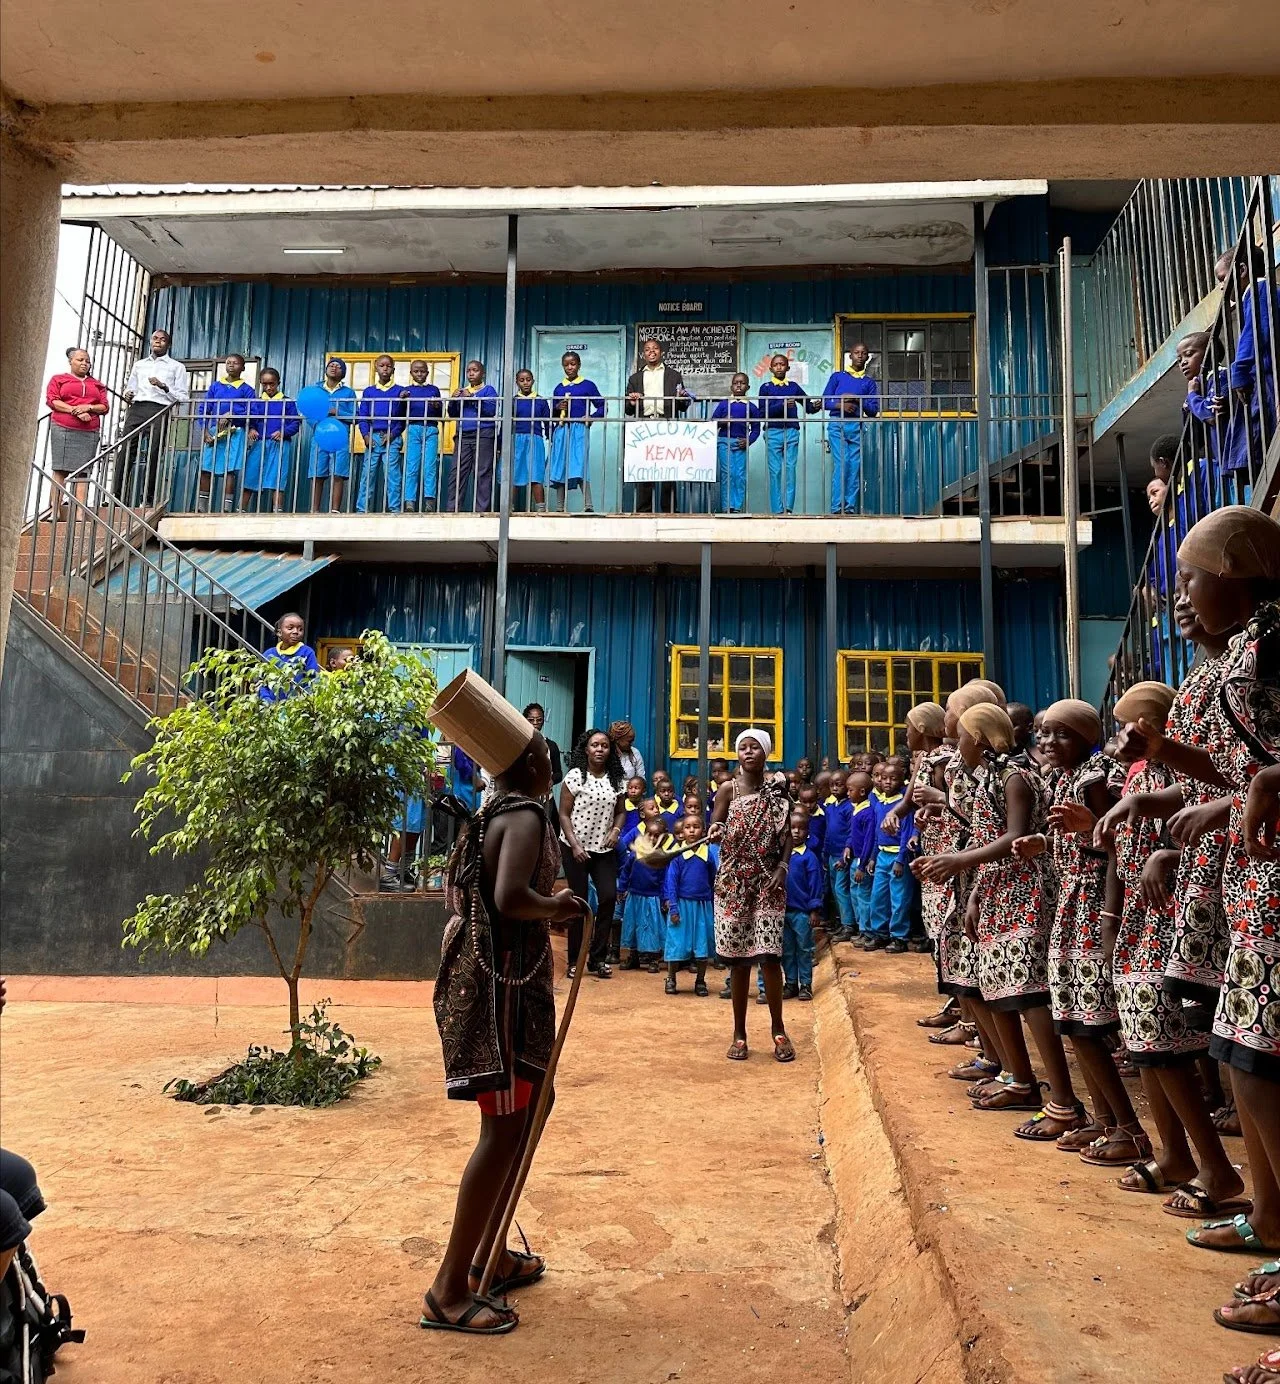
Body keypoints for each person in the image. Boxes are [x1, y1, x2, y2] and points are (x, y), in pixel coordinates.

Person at [1128, 507, 1280, 1268]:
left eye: (1189, 575)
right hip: (1246, 881)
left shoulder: (1271, 648)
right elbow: (1237, 775)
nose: (1180, 592)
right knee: (1241, 1053)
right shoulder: (1237, 660)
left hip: (1264, 877)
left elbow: (1256, 777)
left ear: (1231, 574)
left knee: (1254, 1058)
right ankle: (1266, 1214)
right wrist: (1174, 771)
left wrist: (1241, 791)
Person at [422, 681, 586, 1336]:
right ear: (535, 767)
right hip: (501, 1000)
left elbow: (470, 901)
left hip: (506, 992)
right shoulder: (524, 816)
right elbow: (512, 896)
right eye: (546, 751)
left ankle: (489, 1258)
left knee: (530, 1109)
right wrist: (559, 906)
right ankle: (448, 1289)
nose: (551, 758)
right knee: (502, 1133)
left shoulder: (497, 814)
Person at [1094, 681, 1246, 1212]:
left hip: (1173, 912)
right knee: (1143, 1041)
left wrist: (1166, 854)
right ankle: (1174, 1153)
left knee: (1162, 1041)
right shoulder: (1141, 772)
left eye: (1134, 724)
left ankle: (1217, 1169)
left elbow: (1208, 822)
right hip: (1142, 912)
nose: (1124, 735)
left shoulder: (1179, 761)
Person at [921, 703, 1084, 1135]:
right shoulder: (987, 777)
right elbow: (985, 834)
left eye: (963, 737)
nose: (958, 744)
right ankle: (1019, 1079)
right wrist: (974, 891)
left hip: (1026, 891)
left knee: (1029, 994)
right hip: (996, 891)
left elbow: (1013, 836)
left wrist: (957, 861)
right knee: (1000, 989)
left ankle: (1064, 1102)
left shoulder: (1014, 776)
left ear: (978, 738)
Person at [1012, 699, 1151, 1165]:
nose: (1049, 742)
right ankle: (1104, 1118)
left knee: (1089, 1023)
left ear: (1089, 738)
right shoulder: (1060, 776)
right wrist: (1046, 842)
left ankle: (1129, 1130)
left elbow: (1118, 844)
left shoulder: (1098, 779)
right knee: (1072, 1019)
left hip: (1095, 907)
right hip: (1071, 905)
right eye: (1044, 733)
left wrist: (1111, 918)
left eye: (1062, 734)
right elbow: (1077, 836)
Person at [708, 728, 795, 1062]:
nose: (748, 752)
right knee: (739, 960)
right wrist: (715, 830)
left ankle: (779, 1029)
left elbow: (787, 835)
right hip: (733, 883)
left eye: (754, 747)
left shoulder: (777, 789)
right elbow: (715, 824)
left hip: (768, 882)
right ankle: (739, 1033)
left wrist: (782, 868)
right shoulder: (726, 790)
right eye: (742, 747)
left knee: (770, 957)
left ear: (766, 753)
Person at [559, 728, 626, 979]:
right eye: (595, 745)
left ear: (610, 751)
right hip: (574, 847)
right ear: (586, 749)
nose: (600, 749)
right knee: (579, 902)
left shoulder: (616, 779)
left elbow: (621, 811)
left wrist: (617, 830)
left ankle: (598, 959)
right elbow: (563, 813)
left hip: (603, 848)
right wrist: (575, 845)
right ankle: (574, 960)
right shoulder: (576, 777)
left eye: (605, 746)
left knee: (608, 897)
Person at [117, 327, 189, 503]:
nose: (158, 341)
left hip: (160, 409)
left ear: (169, 344)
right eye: (155, 338)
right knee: (125, 450)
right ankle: (116, 496)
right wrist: (128, 393)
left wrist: (164, 386)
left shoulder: (176, 367)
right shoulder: (140, 364)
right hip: (137, 409)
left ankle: (148, 497)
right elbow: (131, 387)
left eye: (162, 339)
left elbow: (183, 397)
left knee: (154, 452)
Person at [624, 338, 691, 514]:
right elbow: (628, 409)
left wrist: (683, 398)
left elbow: (682, 405)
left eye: (655, 348)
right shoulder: (635, 378)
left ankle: (669, 510)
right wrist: (631, 402)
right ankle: (644, 511)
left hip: (666, 423)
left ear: (661, 352)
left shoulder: (674, 375)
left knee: (668, 467)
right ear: (643, 354)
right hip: (644, 425)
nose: (651, 351)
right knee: (645, 467)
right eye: (647, 349)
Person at [617, 799, 676, 972]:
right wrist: (621, 889)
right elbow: (625, 872)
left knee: (650, 928)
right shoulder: (636, 853)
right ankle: (633, 957)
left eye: (656, 835)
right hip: (634, 896)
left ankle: (653, 959)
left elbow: (665, 880)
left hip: (651, 898)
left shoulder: (661, 858)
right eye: (649, 834)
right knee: (632, 926)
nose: (652, 838)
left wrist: (665, 898)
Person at [758, 353, 820, 515]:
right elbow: (762, 413)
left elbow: (808, 407)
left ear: (788, 368)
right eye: (776, 365)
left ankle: (788, 508)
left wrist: (817, 405)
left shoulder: (793, 387)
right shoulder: (765, 388)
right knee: (775, 471)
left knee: (790, 469)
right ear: (771, 368)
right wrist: (782, 405)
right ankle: (777, 510)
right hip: (773, 431)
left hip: (792, 431)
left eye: (782, 364)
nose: (779, 367)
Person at [821, 343, 878, 515]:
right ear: (850, 356)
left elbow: (874, 410)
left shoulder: (869, 383)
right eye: (856, 353)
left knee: (854, 466)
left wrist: (857, 399)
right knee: (842, 463)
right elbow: (824, 401)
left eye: (864, 353)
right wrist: (841, 404)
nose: (860, 355)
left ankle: (850, 507)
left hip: (856, 426)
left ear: (867, 357)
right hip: (837, 423)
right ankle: (837, 508)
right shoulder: (838, 377)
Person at [663, 814, 718, 995]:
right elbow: (671, 884)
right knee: (676, 944)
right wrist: (673, 907)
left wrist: (712, 904)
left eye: (696, 827)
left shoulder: (707, 855)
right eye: (688, 827)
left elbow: (713, 880)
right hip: (682, 906)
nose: (692, 830)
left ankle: (700, 981)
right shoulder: (677, 857)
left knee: (702, 945)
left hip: (702, 907)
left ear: (703, 830)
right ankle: (671, 979)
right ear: (681, 832)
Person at [864, 757, 914, 952]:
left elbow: (906, 834)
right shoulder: (879, 804)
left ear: (902, 781)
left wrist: (901, 860)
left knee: (899, 899)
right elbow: (878, 834)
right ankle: (880, 933)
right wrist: (873, 858)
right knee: (878, 897)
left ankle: (899, 936)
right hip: (882, 856)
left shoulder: (903, 805)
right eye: (884, 778)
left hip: (898, 858)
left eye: (893, 779)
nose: (887, 782)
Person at [45, 347, 109, 496]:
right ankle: (55, 510)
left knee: (83, 471)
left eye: (87, 361)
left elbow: (104, 406)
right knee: (60, 469)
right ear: (70, 361)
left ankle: (80, 513)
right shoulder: (59, 379)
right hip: (63, 428)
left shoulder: (97, 384)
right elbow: (53, 401)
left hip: (89, 432)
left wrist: (89, 407)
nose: (84, 364)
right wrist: (76, 411)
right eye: (80, 360)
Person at [197, 354, 255, 512]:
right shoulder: (216, 386)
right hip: (216, 431)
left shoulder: (247, 390)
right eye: (228, 362)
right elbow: (204, 409)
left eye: (235, 363)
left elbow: (253, 412)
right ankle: (202, 508)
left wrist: (233, 415)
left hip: (236, 433)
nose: (231, 365)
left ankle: (226, 508)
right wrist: (205, 431)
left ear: (242, 368)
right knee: (206, 467)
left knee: (230, 470)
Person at [549, 352, 605, 514]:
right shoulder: (559, 388)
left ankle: (588, 505)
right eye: (566, 365)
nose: (569, 367)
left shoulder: (588, 385)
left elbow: (602, 406)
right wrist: (557, 407)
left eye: (573, 364)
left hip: (579, 429)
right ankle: (560, 507)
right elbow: (552, 413)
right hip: (561, 429)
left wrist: (591, 417)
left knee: (580, 464)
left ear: (579, 365)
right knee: (560, 464)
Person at [242, 367, 300, 513]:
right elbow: (251, 421)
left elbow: (295, 423)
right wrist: (252, 429)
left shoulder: (287, 402)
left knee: (278, 478)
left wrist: (283, 432)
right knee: (251, 475)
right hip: (259, 444)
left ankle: (277, 511)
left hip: (279, 444)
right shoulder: (257, 402)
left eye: (272, 384)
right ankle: (240, 510)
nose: (268, 388)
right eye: (265, 384)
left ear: (278, 383)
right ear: (261, 383)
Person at [446, 360, 500, 513]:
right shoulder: (462, 391)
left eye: (475, 370)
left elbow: (490, 411)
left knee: (483, 473)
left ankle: (481, 510)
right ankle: (453, 509)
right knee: (457, 473)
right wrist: (453, 400)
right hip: (463, 436)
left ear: (482, 373)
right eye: (468, 370)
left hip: (483, 435)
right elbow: (453, 414)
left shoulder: (488, 390)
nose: (471, 373)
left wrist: (473, 398)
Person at [356, 354, 406, 513]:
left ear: (393, 369)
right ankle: (361, 510)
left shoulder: (400, 391)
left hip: (392, 438)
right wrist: (365, 435)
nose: (385, 369)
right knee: (367, 475)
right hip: (372, 437)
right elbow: (362, 415)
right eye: (381, 365)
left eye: (388, 366)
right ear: (376, 368)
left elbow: (402, 418)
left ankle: (394, 510)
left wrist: (392, 434)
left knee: (393, 476)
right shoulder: (369, 392)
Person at [784, 809, 824, 1000]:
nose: (796, 832)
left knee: (804, 949)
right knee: (787, 950)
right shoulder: (781, 856)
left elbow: (815, 886)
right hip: (782, 911)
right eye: (792, 828)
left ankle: (805, 985)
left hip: (802, 913)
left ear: (807, 832)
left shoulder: (809, 857)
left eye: (801, 828)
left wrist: (814, 910)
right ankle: (790, 983)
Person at [308, 358, 358, 513]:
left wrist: (338, 413)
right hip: (320, 435)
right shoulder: (316, 389)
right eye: (331, 365)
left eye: (338, 366)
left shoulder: (349, 392)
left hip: (340, 436)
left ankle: (335, 510)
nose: (334, 368)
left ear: (343, 373)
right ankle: (314, 510)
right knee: (317, 472)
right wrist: (317, 420)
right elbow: (308, 411)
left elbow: (355, 416)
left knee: (338, 472)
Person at [710, 373, 761, 514]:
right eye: (735, 383)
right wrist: (722, 421)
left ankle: (737, 507)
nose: (738, 385)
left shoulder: (751, 407)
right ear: (731, 386)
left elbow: (756, 429)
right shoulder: (724, 404)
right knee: (727, 474)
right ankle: (727, 507)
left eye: (742, 383)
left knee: (739, 474)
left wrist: (748, 441)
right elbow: (712, 422)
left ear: (748, 387)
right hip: (724, 442)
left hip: (740, 443)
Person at [402, 359, 444, 512]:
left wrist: (437, 405)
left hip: (431, 428)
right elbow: (400, 413)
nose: (419, 374)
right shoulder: (406, 391)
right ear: (411, 373)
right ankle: (410, 502)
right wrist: (402, 400)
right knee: (412, 466)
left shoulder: (434, 389)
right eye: (416, 371)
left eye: (422, 371)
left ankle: (429, 501)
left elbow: (440, 413)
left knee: (430, 466)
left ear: (428, 372)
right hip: (413, 428)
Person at [511, 370, 551, 513]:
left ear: (533, 381)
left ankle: (540, 509)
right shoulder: (513, 401)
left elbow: (547, 422)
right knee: (513, 474)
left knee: (536, 474)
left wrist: (551, 438)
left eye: (528, 379)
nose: (525, 382)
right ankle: (509, 508)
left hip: (535, 440)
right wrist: (500, 444)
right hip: (516, 441)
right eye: (522, 380)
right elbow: (506, 424)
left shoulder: (540, 400)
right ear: (517, 382)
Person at [259, 611, 321, 701]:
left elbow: (313, 681)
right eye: (290, 628)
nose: (296, 632)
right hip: (270, 708)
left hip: (296, 708)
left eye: (300, 629)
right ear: (279, 632)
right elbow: (262, 682)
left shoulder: (307, 652)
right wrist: (266, 700)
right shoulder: (269, 654)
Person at [822, 770, 855, 939]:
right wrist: (825, 853)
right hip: (831, 854)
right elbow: (829, 831)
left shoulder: (849, 807)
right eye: (831, 785)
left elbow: (851, 832)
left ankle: (849, 925)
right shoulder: (831, 806)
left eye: (839, 785)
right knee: (835, 890)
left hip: (842, 855)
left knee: (841, 889)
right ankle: (841, 921)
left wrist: (845, 854)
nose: (835, 788)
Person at [521, 703, 562, 787]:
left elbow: (558, 774)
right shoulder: (519, 743)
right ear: (525, 720)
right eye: (531, 720)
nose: (535, 723)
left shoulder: (551, 745)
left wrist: (551, 780)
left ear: (543, 721)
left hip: (545, 795)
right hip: (522, 794)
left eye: (539, 720)